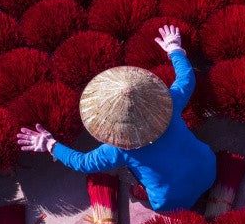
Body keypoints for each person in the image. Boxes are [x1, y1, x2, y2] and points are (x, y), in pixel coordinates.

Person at [17, 25, 218, 212]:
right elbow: (186, 79)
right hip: (210, 170)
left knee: (139, 177)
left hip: (171, 202)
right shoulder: (171, 104)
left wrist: (50, 144)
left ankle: (143, 192)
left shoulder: (118, 150)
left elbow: (82, 163)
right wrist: (174, 49)